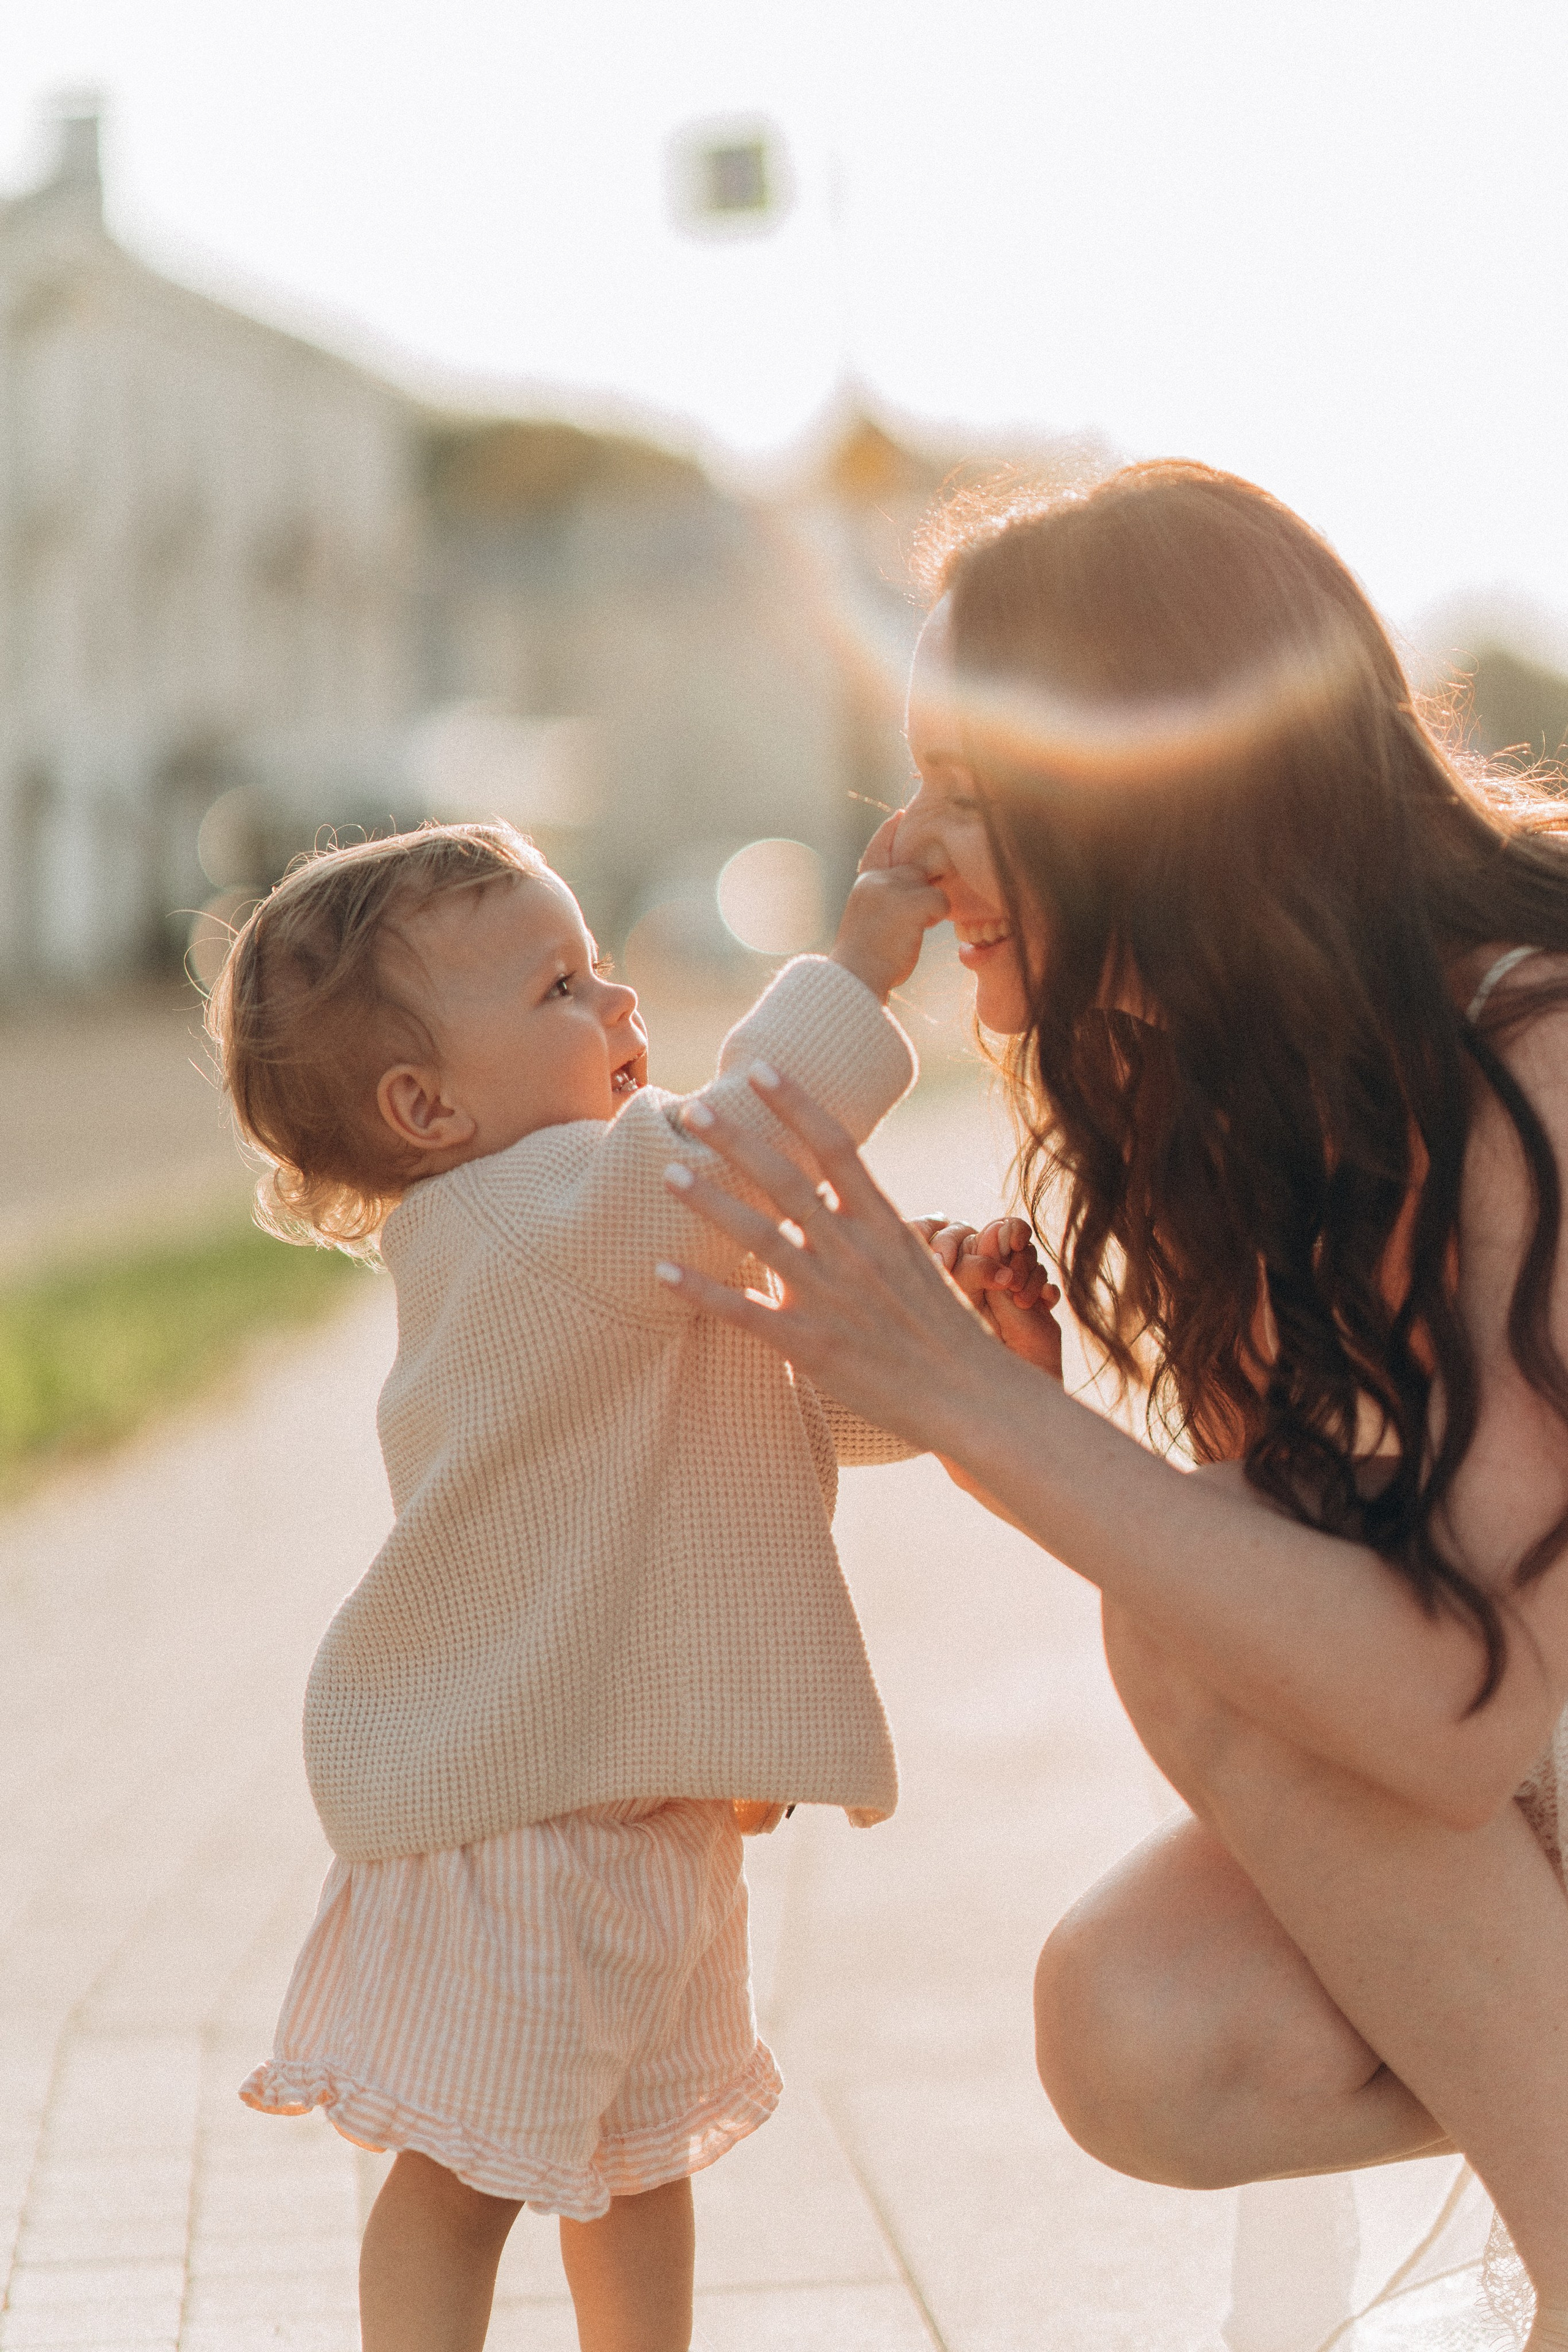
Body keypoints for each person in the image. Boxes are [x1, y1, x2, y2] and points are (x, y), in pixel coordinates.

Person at [655, 461, 1568, 2347]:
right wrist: (1011, 1431)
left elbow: (1458, 1715)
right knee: (1144, 2027)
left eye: (968, 793)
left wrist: (984, 1418)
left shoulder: (1534, 1050)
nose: (910, 852)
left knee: (1191, 1622)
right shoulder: (1233, 1089)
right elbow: (1338, 1600)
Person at [206, 820, 1039, 2352]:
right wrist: (855, 970)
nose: (618, 1002)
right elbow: (737, 1148)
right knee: (465, 2174)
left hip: (632, 1812)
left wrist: (948, 1339)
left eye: (597, 965)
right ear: (426, 1107)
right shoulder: (526, 1216)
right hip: (528, 1823)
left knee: (640, 2163)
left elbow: (772, 1414)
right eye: (559, 989)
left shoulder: (594, 1233)